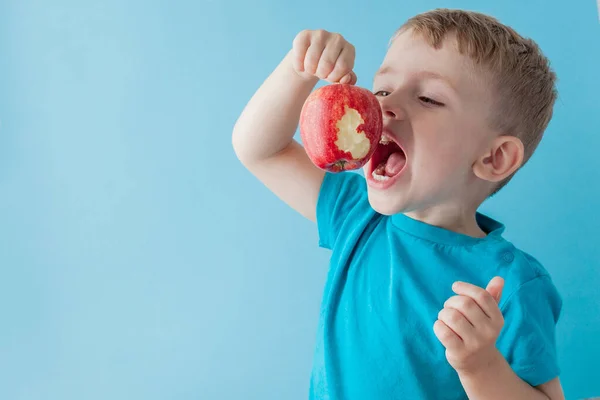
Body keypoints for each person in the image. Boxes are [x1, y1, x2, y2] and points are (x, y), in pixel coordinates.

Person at [232, 8, 565, 400]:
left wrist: (480, 366)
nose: (384, 107)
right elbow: (258, 149)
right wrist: (299, 69)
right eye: (383, 90)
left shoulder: (512, 283)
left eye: (427, 98)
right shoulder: (358, 217)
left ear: (493, 158)